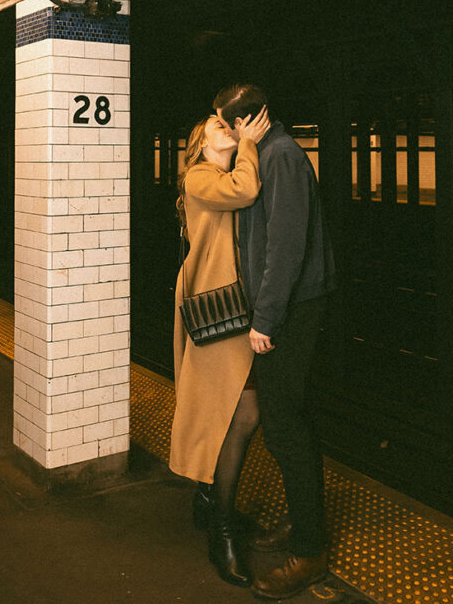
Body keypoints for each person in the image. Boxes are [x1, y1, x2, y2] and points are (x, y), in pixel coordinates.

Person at [213, 82, 336, 601]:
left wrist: (265, 318)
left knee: (285, 425)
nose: (218, 129)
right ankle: (300, 523)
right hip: (285, 305)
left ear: (244, 122)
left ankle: (309, 552)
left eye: (222, 122)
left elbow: (285, 242)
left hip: (293, 308)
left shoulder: (281, 156)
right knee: (286, 421)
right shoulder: (265, 153)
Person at [169, 107, 270, 588]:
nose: (229, 129)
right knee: (237, 411)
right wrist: (250, 143)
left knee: (235, 411)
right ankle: (221, 529)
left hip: (232, 304)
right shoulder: (200, 177)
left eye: (231, 124)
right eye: (218, 126)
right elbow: (245, 190)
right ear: (201, 143)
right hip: (217, 306)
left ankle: (211, 501)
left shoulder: (218, 172)